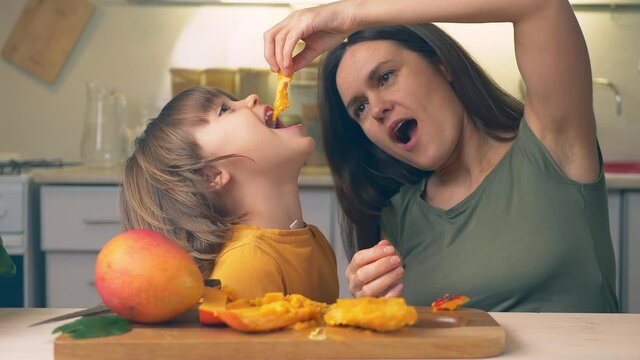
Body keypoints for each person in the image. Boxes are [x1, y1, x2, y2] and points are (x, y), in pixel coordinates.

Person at [264, 0, 619, 312]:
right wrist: (375, 304)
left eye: (386, 77)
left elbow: (539, 4)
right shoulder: (396, 214)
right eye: (359, 107)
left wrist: (350, 13)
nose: (376, 109)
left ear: (443, 66)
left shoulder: (552, 144)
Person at [120, 86, 339, 303]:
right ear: (210, 175)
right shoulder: (247, 265)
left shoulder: (314, 240)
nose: (252, 97)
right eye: (224, 109)